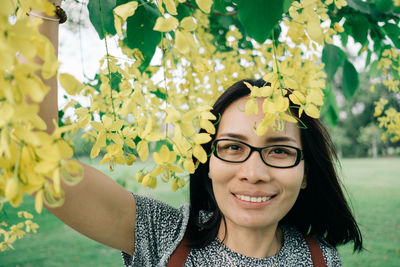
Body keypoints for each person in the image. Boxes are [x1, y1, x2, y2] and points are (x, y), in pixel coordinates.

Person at [33, 2, 362, 266]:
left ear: (306, 173)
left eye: (279, 151)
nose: (254, 173)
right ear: (207, 161)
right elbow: (38, 160)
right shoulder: (165, 235)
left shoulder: (322, 259)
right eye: (233, 147)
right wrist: (42, 8)